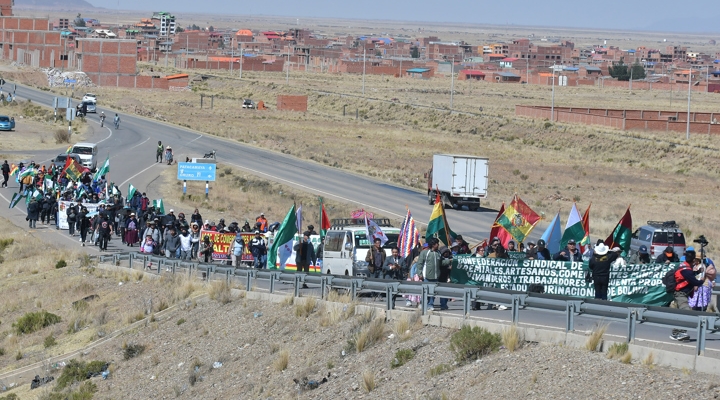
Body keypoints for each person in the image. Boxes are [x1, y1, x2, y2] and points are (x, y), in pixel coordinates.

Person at [670, 247, 705, 341]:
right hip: (680, 295)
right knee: (687, 312)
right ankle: (681, 333)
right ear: (693, 260)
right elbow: (695, 282)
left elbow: (689, 275)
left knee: (681, 314)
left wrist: (697, 272)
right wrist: (702, 280)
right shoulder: (686, 270)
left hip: (680, 294)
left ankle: (675, 333)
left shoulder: (684, 267)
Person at [416, 238, 452, 310]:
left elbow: (441, 262)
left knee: (432, 293)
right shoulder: (425, 253)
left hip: (435, 277)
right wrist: (420, 274)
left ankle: (430, 304)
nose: (438, 245)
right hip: (426, 277)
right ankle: (422, 303)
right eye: (437, 244)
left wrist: (449, 261)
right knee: (425, 292)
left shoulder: (438, 253)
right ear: (433, 245)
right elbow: (420, 264)